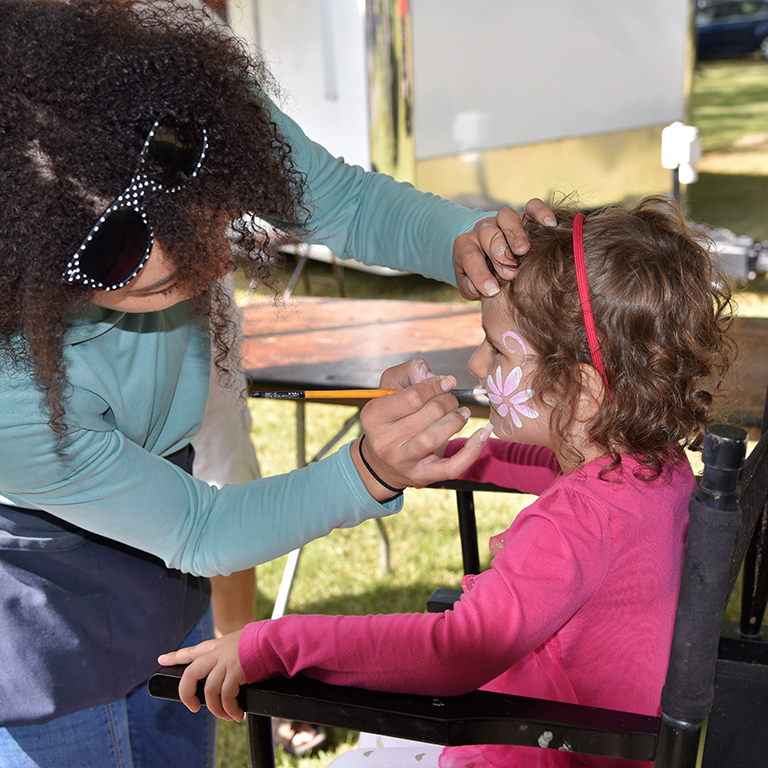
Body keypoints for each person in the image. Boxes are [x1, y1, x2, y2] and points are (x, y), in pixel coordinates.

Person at [0, 2, 555, 767]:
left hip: (160, 563)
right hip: (37, 600)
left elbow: (344, 201)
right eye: (158, 284)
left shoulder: (176, 113)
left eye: (214, 223)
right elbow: (201, 531)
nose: (213, 267)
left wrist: (457, 242)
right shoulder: (12, 399)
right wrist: (365, 473)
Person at [161, 196, 737, 768]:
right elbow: (537, 464)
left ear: (580, 392)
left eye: (495, 346)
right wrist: (427, 449)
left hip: (541, 748)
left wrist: (277, 642)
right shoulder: (648, 464)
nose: (477, 363)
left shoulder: (576, 526)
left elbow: (454, 650)